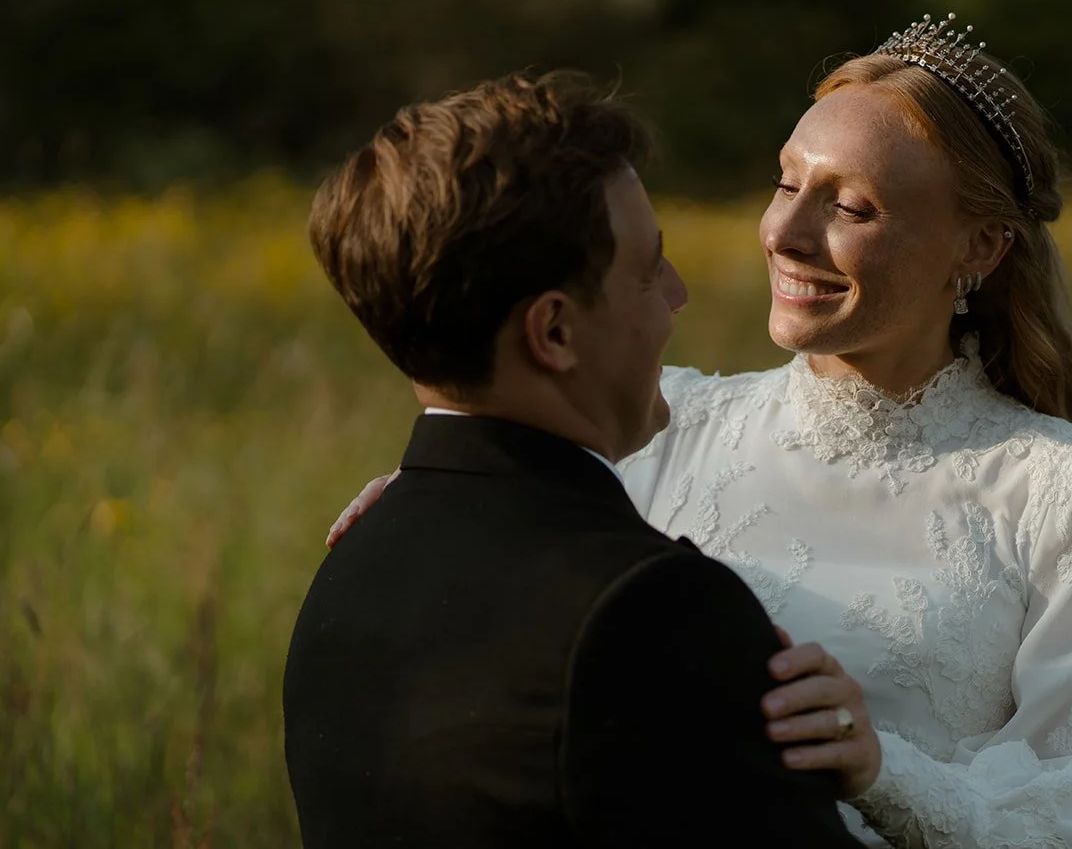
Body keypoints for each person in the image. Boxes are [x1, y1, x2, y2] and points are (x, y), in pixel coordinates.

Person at [334, 14, 1072, 848]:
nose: (784, 233)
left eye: (851, 206)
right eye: (785, 183)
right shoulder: (661, 423)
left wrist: (884, 771)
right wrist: (444, 507)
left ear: (982, 247)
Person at [283, 70, 871, 848]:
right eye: (647, 271)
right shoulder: (654, 611)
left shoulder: (353, 563)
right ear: (554, 332)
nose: (677, 294)